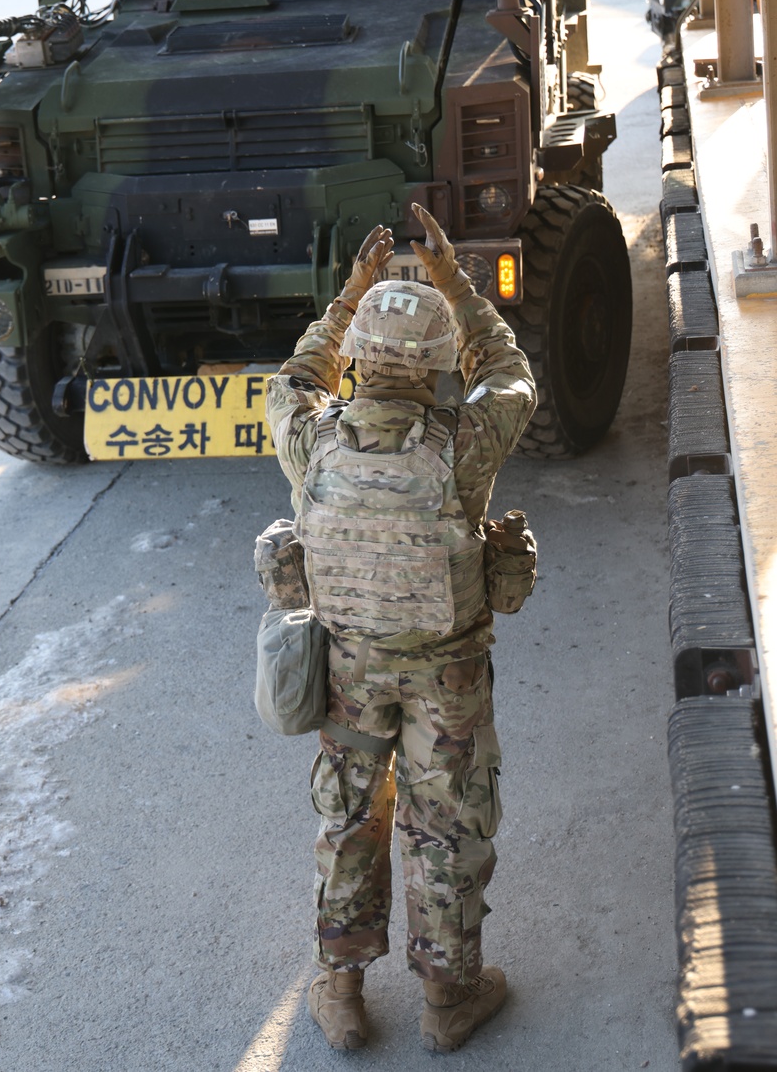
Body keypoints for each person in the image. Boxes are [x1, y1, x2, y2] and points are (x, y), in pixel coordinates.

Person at [265, 205, 537, 1054]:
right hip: (447, 676)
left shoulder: (311, 441)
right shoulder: (466, 444)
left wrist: (347, 299)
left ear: (360, 363)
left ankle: (341, 991)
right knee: (446, 825)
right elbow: (510, 369)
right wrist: (455, 282)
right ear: (433, 366)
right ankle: (448, 998)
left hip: (350, 670)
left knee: (349, 815)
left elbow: (294, 375)